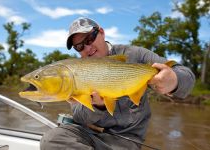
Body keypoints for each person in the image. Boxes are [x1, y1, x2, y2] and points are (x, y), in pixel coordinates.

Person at [40, 17, 195, 150]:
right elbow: (80, 117)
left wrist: (174, 81)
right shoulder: (76, 71)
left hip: (126, 141)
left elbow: (188, 78)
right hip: (90, 135)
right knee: (51, 139)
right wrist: (98, 106)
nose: (87, 47)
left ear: (101, 32)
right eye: (79, 46)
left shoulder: (135, 55)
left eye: (89, 39)